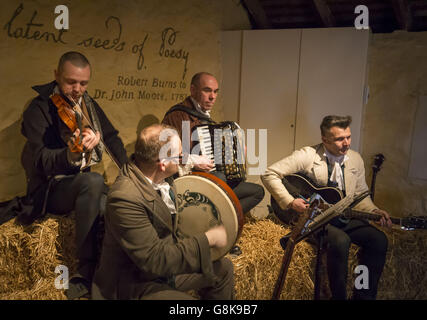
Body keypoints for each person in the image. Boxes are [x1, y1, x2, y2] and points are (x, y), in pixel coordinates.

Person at [20, 51, 128, 299]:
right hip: (49, 188)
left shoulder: (87, 104)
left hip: (81, 188)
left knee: (114, 200)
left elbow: (111, 138)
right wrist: (69, 154)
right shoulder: (39, 109)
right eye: (71, 82)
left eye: (83, 83)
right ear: (56, 75)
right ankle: (82, 273)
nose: (78, 89)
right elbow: (39, 161)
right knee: (93, 181)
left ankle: (114, 273)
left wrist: (129, 173)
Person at [91, 124, 234, 300]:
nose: (183, 157)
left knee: (223, 268)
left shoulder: (161, 177)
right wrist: (207, 239)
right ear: (163, 164)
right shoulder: (125, 198)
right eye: (179, 155)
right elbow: (154, 260)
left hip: (162, 272)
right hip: (135, 283)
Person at [261, 115, 391, 300]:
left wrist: (374, 211)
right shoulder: (308, 155)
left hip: (341, 216)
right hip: (314, 218)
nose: (346, 143)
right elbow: (269, 173)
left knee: (378, 239)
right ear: (325, 140)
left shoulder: (355, 159)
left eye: (348, 137)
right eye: (339, 139)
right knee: (340, 241)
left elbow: (361, 195)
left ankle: (364, 295)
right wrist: (290, 201)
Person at [162, 72, 265, 233]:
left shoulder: (206, 120)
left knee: (256, 192)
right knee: (220, 178)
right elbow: (168, 155)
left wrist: (237, 152)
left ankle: (220, 227)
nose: (212, 97)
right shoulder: (177, 116)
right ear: (193, 90)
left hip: (210, 179)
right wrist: (195, 161)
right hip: (186, 182)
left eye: (215, 91)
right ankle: (212, 231)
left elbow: (217, 157)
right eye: (207, 90)